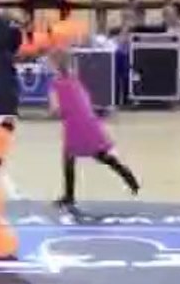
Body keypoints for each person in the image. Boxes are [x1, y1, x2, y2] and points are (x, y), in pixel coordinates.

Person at [48, 46, 140, 219]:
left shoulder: (56, 84)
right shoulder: (75, 80)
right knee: (99, 155)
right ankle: (127, 176)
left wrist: (54, 112)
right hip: (89, 122)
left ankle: (69, 196)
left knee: (69, 159)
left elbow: (55, 110)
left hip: (74, 125)